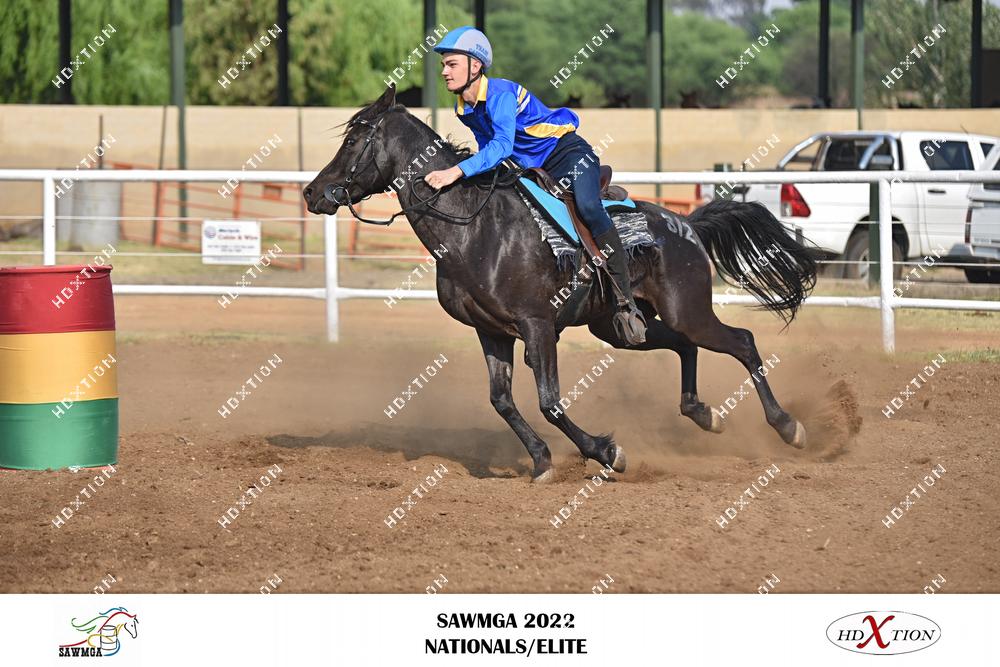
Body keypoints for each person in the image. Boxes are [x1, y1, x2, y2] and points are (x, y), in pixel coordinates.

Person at [424, 26, 646, 345]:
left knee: (587, 207)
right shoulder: (464, 108)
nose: (444, 71)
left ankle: (626, 301)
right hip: (532, 168)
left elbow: (501, 145)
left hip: (567, 154)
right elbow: (488, 148)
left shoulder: (500, 94)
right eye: (443, 65)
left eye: (451, 64)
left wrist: (456, 171)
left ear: (475, 66)